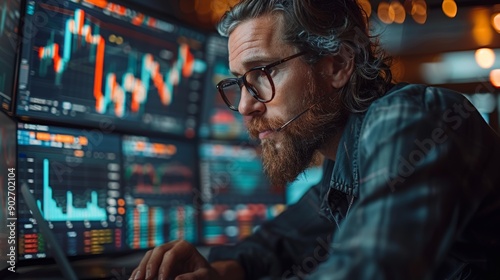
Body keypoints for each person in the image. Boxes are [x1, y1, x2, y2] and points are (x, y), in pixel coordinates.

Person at [129, 0, 500, 279]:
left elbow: (366, 269)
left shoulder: (410, 119)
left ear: (337, 65)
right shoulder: (344, 162)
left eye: (261, 73)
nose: (244, 106)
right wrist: (225, 271)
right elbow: (286, 239)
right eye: (239, 82)